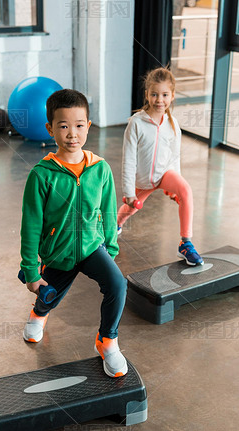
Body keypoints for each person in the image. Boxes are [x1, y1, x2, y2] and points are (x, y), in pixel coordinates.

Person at [20, 89, 128, 378]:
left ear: (89, 126)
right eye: (64, 126)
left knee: (117, 285)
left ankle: (107, 340)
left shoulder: (100, 169)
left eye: (79, 125)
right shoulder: (41, 175)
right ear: (50, 128)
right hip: (58, 252)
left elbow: (107, 211)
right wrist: (30, 271)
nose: (72, 134)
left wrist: (111, 249)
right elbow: (30, 226)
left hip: (93, 248)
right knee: (50, 296)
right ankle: (38, 314)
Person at [117, 67, 203, 266]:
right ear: (147, 94)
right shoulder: (136, 123)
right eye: (154, 94)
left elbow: (174, 157)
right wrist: (129, 192)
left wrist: (175, 186)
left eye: (164, 95)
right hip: (142, 179)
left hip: (164, 174)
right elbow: (128, 160)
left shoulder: (173, 124)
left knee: (186, 191)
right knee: (131, 209)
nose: (159, 100)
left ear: (172, 96)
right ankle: (116, 225)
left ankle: (186, 243)